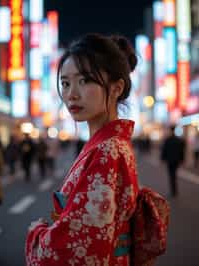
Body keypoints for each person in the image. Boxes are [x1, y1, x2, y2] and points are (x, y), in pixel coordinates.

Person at [25, 33, 168, 266]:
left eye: (85, 81)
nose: (71, 93)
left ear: (116, 88)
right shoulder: (110, 145)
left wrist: (37, 232)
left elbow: (77, 249)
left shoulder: (106, 151)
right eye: (65, 83)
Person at [160, 125, 186, 197]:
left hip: (169, 160)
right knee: (174, 173)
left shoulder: (167, 140)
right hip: (177, 160)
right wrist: (182, 159)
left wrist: (162, 158)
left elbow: (164, 150)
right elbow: (182, 151)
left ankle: (173, 190)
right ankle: (175, 190)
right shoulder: (179, 140)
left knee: (171, 174)